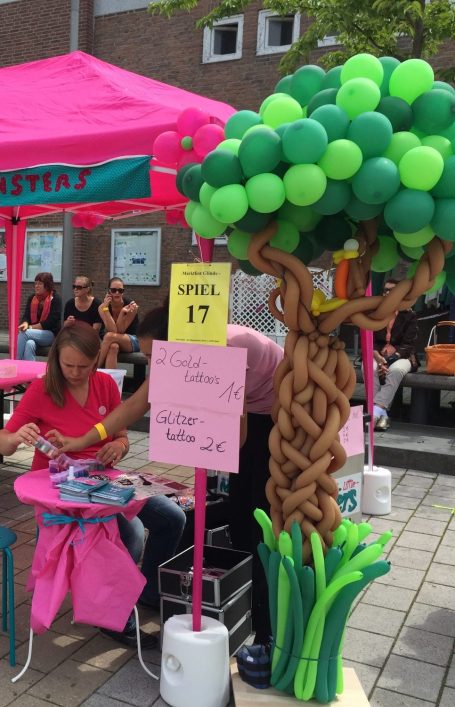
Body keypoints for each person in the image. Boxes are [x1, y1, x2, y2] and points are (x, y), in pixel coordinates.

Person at [49, 302, 284, 646]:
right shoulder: (179, 354)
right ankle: (239, 589)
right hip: (250, 412)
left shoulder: (228, 348)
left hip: (275, 414)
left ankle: (263, 619)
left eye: (153, 355)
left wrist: (200, 436)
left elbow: (238, 438)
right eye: (145, 356)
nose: (149, 363)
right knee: (238, 509)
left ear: (179, 344)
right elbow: (133, 406)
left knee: (256, 513)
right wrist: (82, 440)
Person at [0, 322, 185, 647]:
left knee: (173, 517)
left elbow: (122, 434)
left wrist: (120, 447)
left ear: (96, 359)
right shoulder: (42, 390)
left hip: (104, 477)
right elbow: (3, 443)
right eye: (68, 365)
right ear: (56, 359)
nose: (75, 372)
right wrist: (16, 437)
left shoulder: (104, 384)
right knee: (131, 534)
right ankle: (114, 617)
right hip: (60, 488)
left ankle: (149, 594)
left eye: (83, 366)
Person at [373, 278, 419, 431]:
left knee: (396, 370)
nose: (387, 293)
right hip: (378, 355)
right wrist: (378, 357)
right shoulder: (377, 313)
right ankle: (382, 414)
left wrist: (390, 360)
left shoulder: (409, 315)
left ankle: (374, 411)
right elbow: (369, 340)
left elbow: (408, 344)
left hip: (402, 356)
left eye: (391, 290)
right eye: (385, 290)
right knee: (370, 368)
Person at [97, 277, 140, 368]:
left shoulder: (131, 306)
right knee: (113, 347)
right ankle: (112, 381)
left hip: (132, 340)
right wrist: (106, 309)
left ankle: (96, 369)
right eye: (113, 290)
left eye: (120, 290)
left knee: (109, 336)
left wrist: (122, 313)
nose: (117, 293)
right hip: (114, 339)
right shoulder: (102, 308)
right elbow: (112, 329)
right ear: (109, 291)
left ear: (123, 292)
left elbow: (119, 331)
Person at [18, 272, 62, 360]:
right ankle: (29, 371)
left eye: (40, 284)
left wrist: (30, 327)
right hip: (33, 334)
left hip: (50, 334)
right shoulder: (32, 298)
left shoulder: (56, 299)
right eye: (35, 283)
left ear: (47, 285)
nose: (36, 286)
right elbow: (26, 315)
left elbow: (50, 322)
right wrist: (25, 324)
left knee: (24, 333)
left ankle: (16, 361)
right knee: (29, 344)